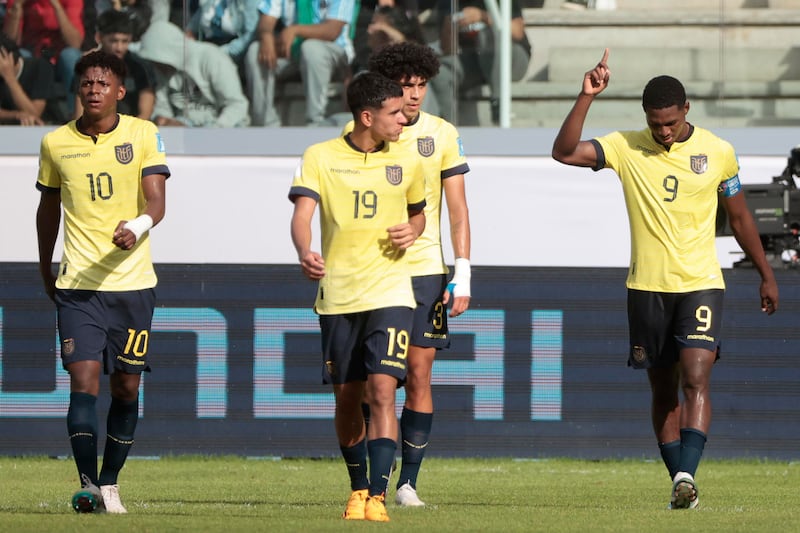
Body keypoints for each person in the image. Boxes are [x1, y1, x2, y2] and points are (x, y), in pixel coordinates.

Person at [551, 49, 779, 510]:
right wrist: (585, 96)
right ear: (646, 118)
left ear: (686, 110)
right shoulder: (626, 146)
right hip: (647, 287)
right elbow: (563, 151)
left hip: (700, 281)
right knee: (663, 389)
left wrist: (766, 274)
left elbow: (738, 218)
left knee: (697, 376)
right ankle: (679, 476)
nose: (664, 131)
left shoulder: (718, 153)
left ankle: (686, 474)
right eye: (656, 123)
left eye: (671, 122)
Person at [36, 50, 170, 514]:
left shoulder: (143, 134)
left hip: (133, 286)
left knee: (126, 388)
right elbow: (47, 210)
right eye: (87, 83)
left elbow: (157, 204)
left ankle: (111, 481)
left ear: (119, 91)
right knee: (83, 381)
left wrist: (137, 226)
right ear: (79, 90)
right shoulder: (55, 143)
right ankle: (89, 484)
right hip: (79, 287)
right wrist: (43, 265)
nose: (94, 90)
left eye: (102, 83)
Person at [289, 71, 426, 522]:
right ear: (367, 116)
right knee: (348, 398)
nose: (403, 121)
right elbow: (303, 214)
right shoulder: (320, 157)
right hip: (339, 297)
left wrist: (414, 230)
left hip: (391, 290)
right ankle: (357, 487)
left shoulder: (407, 160)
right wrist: (304, 251)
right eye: (394, 113)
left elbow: (419, 216)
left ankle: (379, 498)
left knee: (384, 391)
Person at [356, 41, 471, 507]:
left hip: (426, 270)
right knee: (376, 382)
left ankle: (408, 482)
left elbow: (459, 209)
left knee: (419, 374)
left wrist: (461, 271)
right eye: (407, 85)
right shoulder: (362, 132)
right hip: (375, 272)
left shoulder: (442, 134)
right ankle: (370, 478)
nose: (416, 94)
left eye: (422, 85)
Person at [243, 0, 355, 126]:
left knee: (311, 48)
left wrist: (295, 30)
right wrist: (266, 36)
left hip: (334, 54)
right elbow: (267, 20)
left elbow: (332, 30)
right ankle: (266, 124)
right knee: (255, 51)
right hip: (294, 54)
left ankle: (315, 122)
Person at [429, 0, 531, 125]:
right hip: (474, 61)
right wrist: (448, 28)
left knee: (486, 36)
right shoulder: (449, 3)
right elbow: (448, 50)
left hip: (510, 58)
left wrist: (483, 16)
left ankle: (499, 106)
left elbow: (518, 31)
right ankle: (447, 129)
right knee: (440, 71)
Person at [136, 20, 250, 127]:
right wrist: (162, 119)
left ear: (168, 50)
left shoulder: (211, 58)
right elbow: (163, 105)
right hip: (185, 124)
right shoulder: (162, 68)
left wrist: (212, 132)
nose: (155, 66)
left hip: (223, 125)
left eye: (156, 61)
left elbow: (237, 105)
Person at [3, 0, 85, 119]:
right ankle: (24, 114)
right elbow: (8, 44)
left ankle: (77, 116)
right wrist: (17, 7)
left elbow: (75, 43)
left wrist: (56, 5)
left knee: (71, 56)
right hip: (33, 57)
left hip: (60, 59)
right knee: (18, 56)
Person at [74, 9, 156, 120]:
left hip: (131, 132)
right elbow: (80, 109)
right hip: (94, 130)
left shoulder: (141, 68)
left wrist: (128, 135)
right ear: (99, 37)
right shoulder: (87, 66)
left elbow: (145, 113)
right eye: (113, 41)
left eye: (124, 41)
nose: (119, 48)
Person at [0, 30, 56, 125]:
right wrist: (15, 115)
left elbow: (34, 114)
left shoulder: (41, 67)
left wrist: (9, 78)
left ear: (9, 58)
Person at [185, 0, 260, 69]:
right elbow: (202, 13)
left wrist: (220, 53)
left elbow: (250, 36)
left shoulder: (251, 2)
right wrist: (191, 30)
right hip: (206, 45)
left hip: (231, 50)